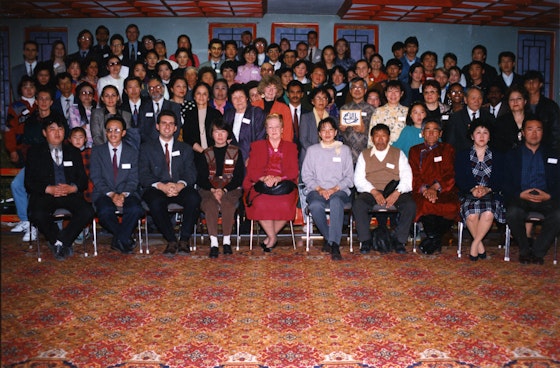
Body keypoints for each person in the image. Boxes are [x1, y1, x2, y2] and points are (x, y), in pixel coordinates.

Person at [25, 119, 94, 260]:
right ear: (44, 132)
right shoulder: (35, 152)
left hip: (68, 193)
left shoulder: (73, 151)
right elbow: (29, 182)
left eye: (60, 129)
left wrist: (72, 188)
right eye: (52, 129)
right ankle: (59, 241)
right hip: (46, 194)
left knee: (88, 211)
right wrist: (47, 189)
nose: (57, 133)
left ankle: (60, 241)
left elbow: (82, 180)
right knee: (36, 213)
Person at [139, 110, 201, 256]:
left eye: (171, 124)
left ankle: (184, 239)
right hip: (157, 187)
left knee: (194, 198)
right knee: (155, 201)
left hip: (179, 186)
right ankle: (171, 240)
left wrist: (180, 185)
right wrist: (161, 186)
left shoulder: (185, 148)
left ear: (175, 128)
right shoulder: (146, 148)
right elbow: (143, 174)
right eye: (164, 123)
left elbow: (191, 172)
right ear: (157, 126)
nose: (167, 127)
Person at [504, 118, 560, 265]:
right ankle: (524, 249)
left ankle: (537, 252)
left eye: (538, 129)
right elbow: (504, 181)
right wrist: (519, 194)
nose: (534, 133)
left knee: (558, 215)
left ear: (543, 132)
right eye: (530, 129)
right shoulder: (512, 155)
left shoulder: (554, 154)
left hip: (546, 197)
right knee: (512, 213)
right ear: (523, 133)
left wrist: (549, 195)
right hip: (521, 196)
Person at [353, 123, 415, 254]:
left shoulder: (398, 153)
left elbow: (407, 177)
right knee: (359, 204)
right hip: (371, 190)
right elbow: (358, 180)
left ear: (389, 138)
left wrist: (397, 193)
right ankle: (365, 241)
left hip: (394, 190)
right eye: (377, 136)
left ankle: (399, 240)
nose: (380, 139)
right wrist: (374, 192)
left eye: (383, 136)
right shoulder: (364, 155)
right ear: (372, 138)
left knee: (409, 205)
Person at [243, 114, 299, 252]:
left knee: (286, 204)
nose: (274, 130)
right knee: (260, 203)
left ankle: (270, 236)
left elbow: (294, 171)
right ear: (266, 130)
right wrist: (264, 178)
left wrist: (279, 178)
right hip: (261, 185)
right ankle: (272, 237)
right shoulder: (257, 146)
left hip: (284, 185)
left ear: (282, 129)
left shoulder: (291, 147)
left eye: (277, 127)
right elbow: (252, 170)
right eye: (270, 127)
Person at [90, 115, 144, 254]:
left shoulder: (132, 152)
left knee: (135, 210)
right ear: (105, 132)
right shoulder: (97, 151)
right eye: (109, 130)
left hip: (128, 192)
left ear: (124, 133)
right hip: (104, 193)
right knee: (104, 211)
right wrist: (112, 194)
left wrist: (122, 195)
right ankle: (125, 238)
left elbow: (134, 178)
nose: (113, 134)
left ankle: (119, 239)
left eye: (117, 130)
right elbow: (96, 177)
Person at [302, 117, 353, 260]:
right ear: (319, 133)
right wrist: (319, 189)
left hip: (339, 190)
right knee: (315, 205)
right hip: (317, 190)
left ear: (336, 132)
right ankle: (330, 238)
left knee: (336, 202)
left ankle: (334, 244)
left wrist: (334, 189)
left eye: (331, 129)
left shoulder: (344, 150)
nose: (327, 133)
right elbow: (306, 175)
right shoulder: (312, 150)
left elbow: (349, 177)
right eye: (324, 130)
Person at [455, 119, 506, 261]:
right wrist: (472, 188)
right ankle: (481, 247)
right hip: (469, 194)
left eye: (485, 133)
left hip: (491, 194)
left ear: (489, 136)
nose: (482, 136)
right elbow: (459, 177)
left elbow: (502, 178)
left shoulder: (499, 155)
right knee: (471, 215)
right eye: (478, 133)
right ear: (472, 136)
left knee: (488, 213)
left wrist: (488, 189)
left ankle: (475, 244)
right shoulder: (462, 155)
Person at [409, 118, 460, 255]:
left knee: (451, 206)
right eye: (428, 130)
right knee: (426, 204)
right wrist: (426, 189)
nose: (431, 133)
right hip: (422, 191)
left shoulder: (447, 149)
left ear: (440, 133)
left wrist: (435, 188)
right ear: (422, 133)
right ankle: (435, 240)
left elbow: (450, 173)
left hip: (443, 190)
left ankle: (432, 239)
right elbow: (414, 174)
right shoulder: (415, 151)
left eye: (435, 130)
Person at [195, 119, 244, 258]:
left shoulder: (236, 152)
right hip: (208, 189)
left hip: (231, 189)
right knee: (210, 205)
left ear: (228, 134)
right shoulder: (206, 153)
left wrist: (224, 190)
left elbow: (239, 176)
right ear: (212, 134)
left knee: (228, 204)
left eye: (223, 131)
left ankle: (227, 242)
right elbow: (201, 177)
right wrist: (213, 190)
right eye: (217, 132)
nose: (220, 135)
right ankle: (214, 243)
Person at [223, 83, 266, 164]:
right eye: (234, 97)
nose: (238, 100)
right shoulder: (228, 115)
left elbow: (261, 137)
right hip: (231, 158)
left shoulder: (256, 112)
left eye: (241, 97)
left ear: (247, 98)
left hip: (251, 159)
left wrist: (253, 156)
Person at [444, 86, 494, 153]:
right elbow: (450, 143)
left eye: (479, 98)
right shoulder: (455, 118)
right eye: (473, 98)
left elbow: (493, 140)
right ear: (465, 99)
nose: (477, 101)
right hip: (462, 157)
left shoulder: (489, 117)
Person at [339, 77, 375, 164]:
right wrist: (341, 130)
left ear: (365, 90)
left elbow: (376, 132)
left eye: (360, 87)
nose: (357, 90)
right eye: (354, 87)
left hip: (366, 153)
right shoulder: (344, 108)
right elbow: (338, 133)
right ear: (350, 91)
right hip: (347, 153)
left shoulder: (372, 109)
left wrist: (364, 130)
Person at [523, 70, 560, 154]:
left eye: (534, 81)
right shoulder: (522, 105)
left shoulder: (550, 106)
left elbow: (556, 132)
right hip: (525, 149)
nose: (531, 84)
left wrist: (553, 151)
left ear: (540, 84)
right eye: (528, 82)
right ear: (525, 85)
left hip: (546, 149)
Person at [181, 82, 223, 155]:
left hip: (215, 152)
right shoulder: (189, 114)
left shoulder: (216, 114)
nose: (201, 96)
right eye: (198, 93)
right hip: (196, 154)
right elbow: (187, 136)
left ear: (208, 97)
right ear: (194, 96)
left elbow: (221, 133)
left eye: (204, 94)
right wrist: (202, 151)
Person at [138, 76, 182, 144]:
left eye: (158, 87)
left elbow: (177, 127)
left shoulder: (174, 106)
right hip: (149, 146)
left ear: (163, 88)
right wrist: (151, 144)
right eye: (151, 88)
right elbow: (141, 129)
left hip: (169, 143)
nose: (155, 90)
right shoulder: (144, 107)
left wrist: (167, 142)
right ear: (148, 91)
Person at [252, 75, 293, 142]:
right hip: (257, 143)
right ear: (263, 89)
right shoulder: (254, 106)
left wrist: (286, 148)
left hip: (278, 144)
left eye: (274, 88)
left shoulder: (284, 108)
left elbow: (288, 131)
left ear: (277, 91)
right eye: (268, 87)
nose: (271, 90)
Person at [369, 80, 409, 145]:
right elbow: (372, 134)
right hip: (381, 148)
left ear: (401, 94)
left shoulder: (408, 112)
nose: (393, 94)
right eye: (390, 91)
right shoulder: (378, 111)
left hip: (402, 149)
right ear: (385, 93)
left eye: (396, 91)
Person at [299, 86, 332, 164]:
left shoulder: (332, 119)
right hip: (309, 156)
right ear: (312, 101)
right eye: (318, 98)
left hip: (328, 156)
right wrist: (317, 152)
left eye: (324, 98)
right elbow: (303, 140)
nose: (321, 101)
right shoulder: (306, 117)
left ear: (327, 101)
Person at [493, 85, 530, 153]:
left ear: (525, 101)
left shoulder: (533, 120)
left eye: (519, 99)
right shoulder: (500, 122)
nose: (515, 102)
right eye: (512, 99)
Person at [68, 81, 97, 148]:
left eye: (90, 93)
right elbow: (75, 129)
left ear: (93, 96)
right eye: (84, 93)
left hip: (96, 145)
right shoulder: (73, 109)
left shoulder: (98, 109)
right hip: (79, 145)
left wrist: (84, 126)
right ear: (79, 95)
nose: (87, 95)